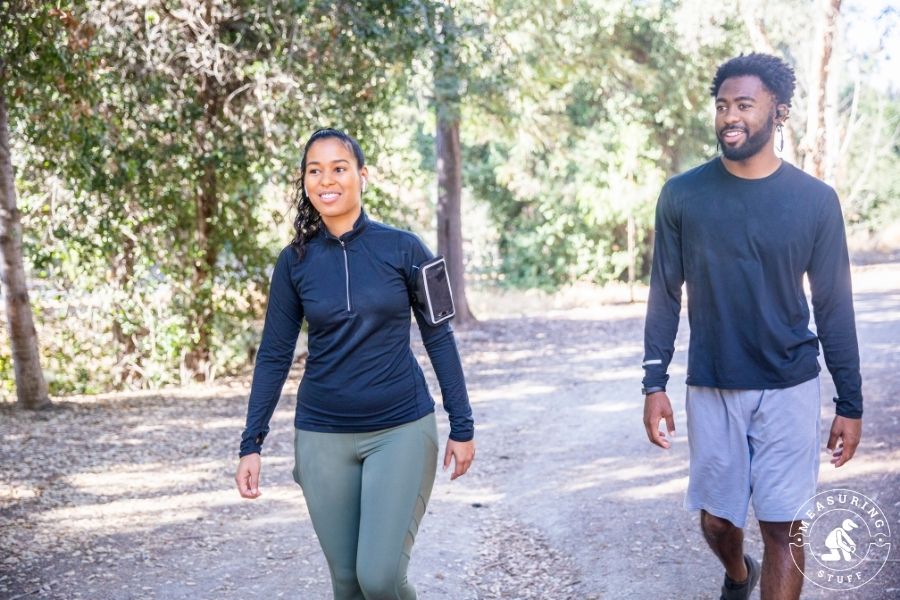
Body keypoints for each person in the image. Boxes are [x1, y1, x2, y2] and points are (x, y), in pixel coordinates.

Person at [641, 53, 863, 600]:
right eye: (722, 106)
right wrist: (653, 383)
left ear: (778, 112)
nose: (729, 117)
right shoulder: (683, 195)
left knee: (783, 527)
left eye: (744, 104)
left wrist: (850, 403)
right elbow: (665, 293)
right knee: (718, 522)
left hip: (790, 383)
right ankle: (739, 574)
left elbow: (834, 305)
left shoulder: (815, 201)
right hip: (713, 382)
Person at [235, 128, 476, 600]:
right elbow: (274, 356)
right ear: (304, 181)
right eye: (314, 170)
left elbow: (439, 339)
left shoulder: (406, 249)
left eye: (339, 168)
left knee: (380, 578)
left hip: (400, 429)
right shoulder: (293, 263)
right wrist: (251, 442)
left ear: (362, 176)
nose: (327, 179)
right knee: (347, 584)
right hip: (322, 435)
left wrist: (462, 425)